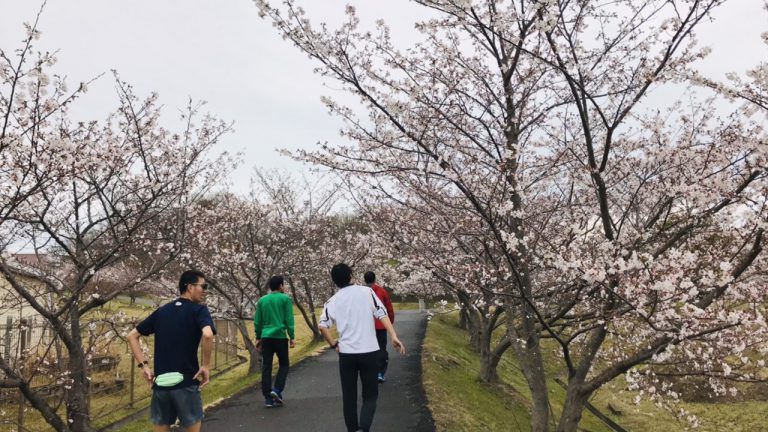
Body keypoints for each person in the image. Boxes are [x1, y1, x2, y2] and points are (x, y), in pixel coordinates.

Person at [319, 263, 405, 432]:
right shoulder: (367, 292)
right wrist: (393, 335)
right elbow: (381, 313)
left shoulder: (333, 300)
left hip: (347, 354)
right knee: (370, 395)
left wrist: (334, 344)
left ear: (335, 281)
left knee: (349, 398)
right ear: (351, 275)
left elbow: (323, 325)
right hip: (369, 352)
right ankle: (363, 428)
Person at [127, 270, 216, 432]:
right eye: (203, 286)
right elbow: (208, 335)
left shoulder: (162, 311)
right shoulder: (199, 310)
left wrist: (144, 366)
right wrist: (206, 365)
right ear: (190, 287)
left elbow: (132, 336)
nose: (205, 290)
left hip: (161, 384)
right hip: (187, 382)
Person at [253, 275, 296, 408]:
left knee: (267, 367)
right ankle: (276, 390)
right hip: (280, 337)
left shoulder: (262, 300)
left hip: (266, 337)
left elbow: (258, 321)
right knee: (284, 364)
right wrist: (292, 336)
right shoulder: (285, 299)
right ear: (281, 286)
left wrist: (258, 337)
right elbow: (289, 319)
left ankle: (268, 399)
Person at [363, 271, 395, 383]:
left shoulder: (362, 292)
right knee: (381, 349)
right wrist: (390, 322)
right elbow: (389, 309)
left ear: (364, 280)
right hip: (381, 326)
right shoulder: (382, 291)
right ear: (375, 279)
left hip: (367, 326)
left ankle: (369, 372)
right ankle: (380, 373)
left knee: (368, 350)